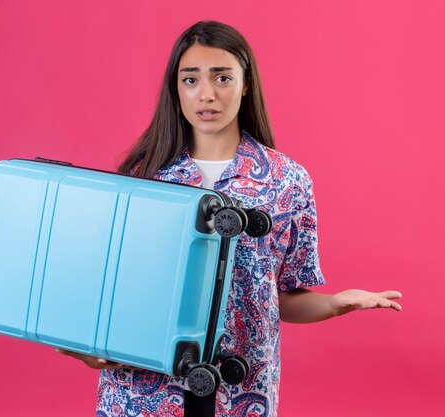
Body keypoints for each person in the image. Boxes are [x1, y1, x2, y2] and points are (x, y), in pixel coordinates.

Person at [57, 20, 402, 416]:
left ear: (245, 83)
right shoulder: (143, 174)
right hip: (143, 391)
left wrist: (336, 304)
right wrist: (83, 348)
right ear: (176, 89)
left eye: (222, 77)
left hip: (242, 395)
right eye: (191, 80)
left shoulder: (288, 180)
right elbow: (105, 288)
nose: (207, 94)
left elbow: (284, 299)